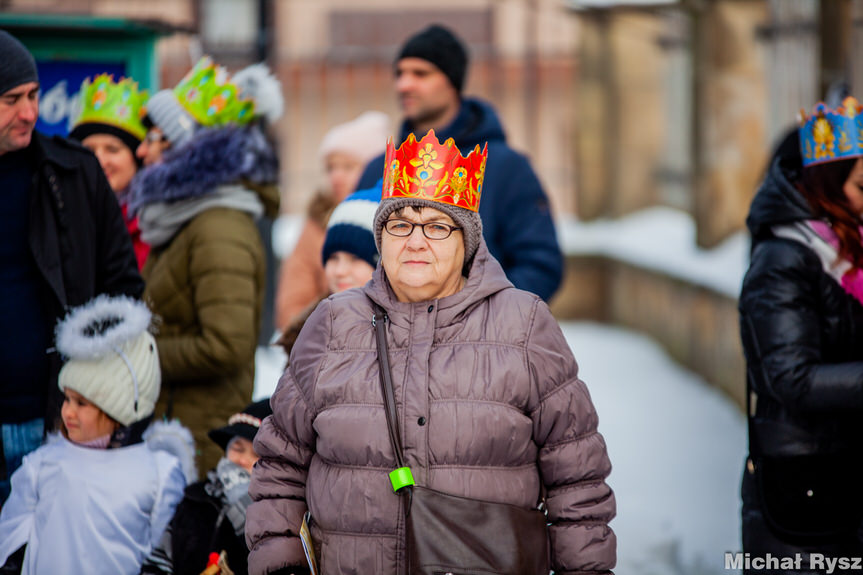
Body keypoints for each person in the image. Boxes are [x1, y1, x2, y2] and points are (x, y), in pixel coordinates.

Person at [246, 131, 616, 574]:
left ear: (468, 241)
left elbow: (576, 477)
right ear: (380, 237)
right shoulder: (330, 324)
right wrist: (280, 563)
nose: (415, 241)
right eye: (399, 224)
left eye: (438, 226)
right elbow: (280, 464)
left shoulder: (525, 325)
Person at [0, 30, 144, 503]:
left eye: (34, 95)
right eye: (11, 99)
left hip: (56, 421)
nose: (30, 112)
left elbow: (124, 286)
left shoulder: (75, 173)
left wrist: (87, 393)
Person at [128, 57, 283, 474]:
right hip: (175, 427)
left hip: (198, 442)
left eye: (154, 137)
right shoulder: (188, 218)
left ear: (187, 148)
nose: (141, 150)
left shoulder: (218, 227)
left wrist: (138, 353)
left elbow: (225, 345)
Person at [739, 97, 863, 572]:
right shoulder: (783, 259)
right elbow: (790, 377)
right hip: (802, 484)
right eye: (859, 184)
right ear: (829, 185)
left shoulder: (853, 247)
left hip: (844, 475)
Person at [355, 24, 563, 302]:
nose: (404, 85)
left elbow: (540, 265)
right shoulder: (379, 169)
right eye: (400, 74)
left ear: (452, 81)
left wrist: (480, 317)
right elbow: (349, 256)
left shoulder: (507, 169)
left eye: (421, 74)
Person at [0, 295, 194, 575]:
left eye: (82, 403)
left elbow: (163, 555)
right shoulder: (43, 465)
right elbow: (12, 544)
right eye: (66, 399)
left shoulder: (157, 475)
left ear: (120, 409)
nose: (67, 412)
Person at [274, 111, 390, 330]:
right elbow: (292, 302)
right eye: (331, 168)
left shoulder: (396, 224)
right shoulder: (317, 223)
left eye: (348, 167)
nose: (336, 177)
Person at [142, 398, 272, 575]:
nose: (242, 460)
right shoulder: (197, 496)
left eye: (256, 454)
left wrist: (242, 499)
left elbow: (267, 556)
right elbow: (161, 556)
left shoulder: (275, 513)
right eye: (237, 449)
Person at [277, 185, 380, 359]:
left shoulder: (391, 335)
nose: (339, 271)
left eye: (355, 258)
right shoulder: (307, 332)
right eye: (333, 258)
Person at [69, 74, 151, 269]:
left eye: (112, 149)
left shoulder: (157, 222)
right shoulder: (60, 213)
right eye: (89, 150)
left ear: (137, 157)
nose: (99, 160)